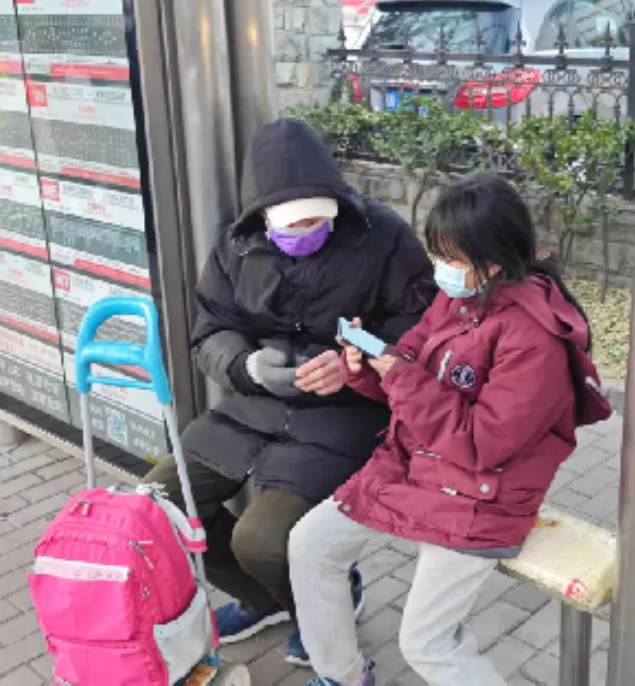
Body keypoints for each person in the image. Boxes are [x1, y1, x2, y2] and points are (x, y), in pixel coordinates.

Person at [288, 174, 612, 686]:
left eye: (452, 258)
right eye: (438, 253)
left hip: (481, 495)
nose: (442, 269)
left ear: (495, 260)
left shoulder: (535, 339)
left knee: (427, 643)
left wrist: (401, 378)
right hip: (419, 468)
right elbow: (411, 361)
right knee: (310, 545)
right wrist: (366, 362)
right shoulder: (459, 299)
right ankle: (341, 676)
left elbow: (483, 443)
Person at [142, 118, 435, 666]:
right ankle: (267, 600)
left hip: (346, 413)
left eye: (318, 219)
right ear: (261, 217)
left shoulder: (383, 236)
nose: (307, 231)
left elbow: (421, 330)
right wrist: (249, 366)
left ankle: (322, 608)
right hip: (252, 406)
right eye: (292, 223)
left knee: (262, 539)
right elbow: (211, 331)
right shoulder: (236, 245)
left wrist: (354, 364)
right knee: (159, 506)